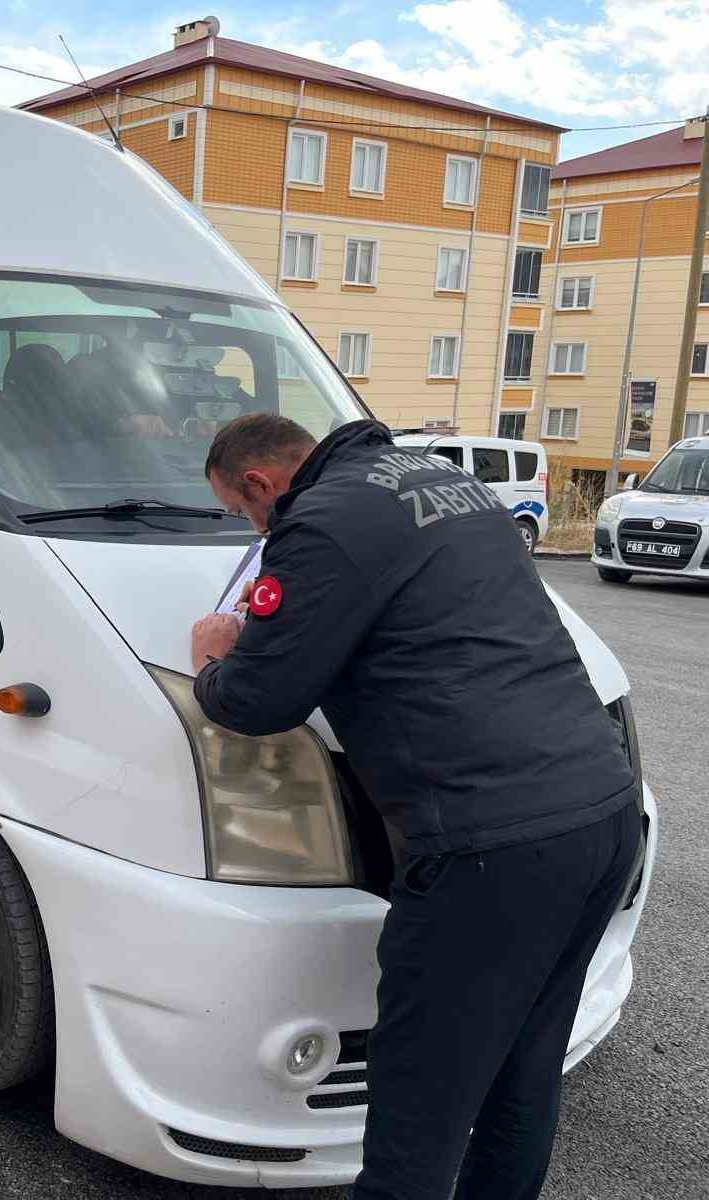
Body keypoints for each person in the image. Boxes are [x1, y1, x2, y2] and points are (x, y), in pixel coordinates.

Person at [187, 413, 643, 1200]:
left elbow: (261, 699)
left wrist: (212, 663)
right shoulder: (445, 480)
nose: (250, 528)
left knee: (417, 1113)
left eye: (240, 512)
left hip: (490, 847)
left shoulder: (321, 523)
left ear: (261, 484)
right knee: (521, 1075)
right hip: (600, 812)